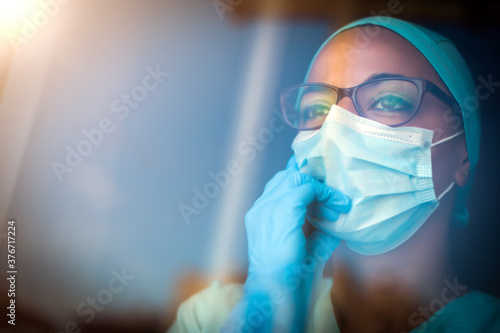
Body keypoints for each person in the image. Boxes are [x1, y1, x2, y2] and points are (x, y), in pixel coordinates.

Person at [167, 16, 500, 333]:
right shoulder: (211, 318)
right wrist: (268, 312)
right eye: (317, 109)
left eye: (388, 100)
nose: (336, 129)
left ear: (464, 154)